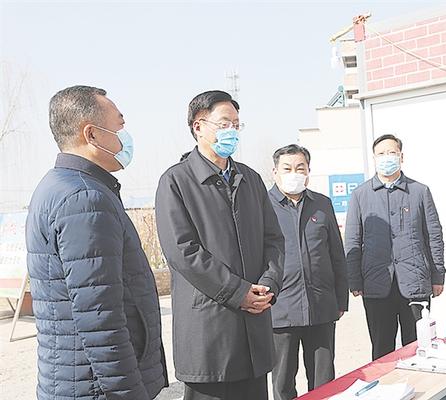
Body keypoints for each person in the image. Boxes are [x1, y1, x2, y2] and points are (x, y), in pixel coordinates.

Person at [26, 85, 168, 399]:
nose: (125, 137)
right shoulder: (85, 198)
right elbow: (101, 318)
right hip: (96, 388)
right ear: (91, 134)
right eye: (119, 126)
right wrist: (129, 393)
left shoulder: (59, 186)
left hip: (77, 380)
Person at [155, 90, 284, 400]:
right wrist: (238, 293)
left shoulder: (250, 179)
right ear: (198, 126)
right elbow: (183, 251)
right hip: (209, 332)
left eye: (237, 125)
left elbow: (273, 240)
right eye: (224, 123)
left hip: (254, 330)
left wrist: (268, 285)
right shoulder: (176, 182)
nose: (232, 131)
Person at [345, 134, 445, 361]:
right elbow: (352, 240)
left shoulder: (420, 192)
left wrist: (438, 274)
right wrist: (354, 280)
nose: (386, 157)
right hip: (376, 284)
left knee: (418, 347)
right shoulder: (360, 195)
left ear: (401, 156)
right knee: (382, 350)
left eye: (391, 152)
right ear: (374, 158)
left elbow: (434, 235)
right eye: (381, 154)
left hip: (415, 282)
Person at [268, 144, 348, 400]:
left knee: (323, 381)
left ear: (308, 172)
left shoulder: (322, 204)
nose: (294, 173)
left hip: (320, 306)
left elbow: (337, 255)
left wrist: (341, 300)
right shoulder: (262, 207)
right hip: (280, 309)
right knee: (283, 382)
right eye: (287, 168)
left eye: (300, 168)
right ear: (275, 172)